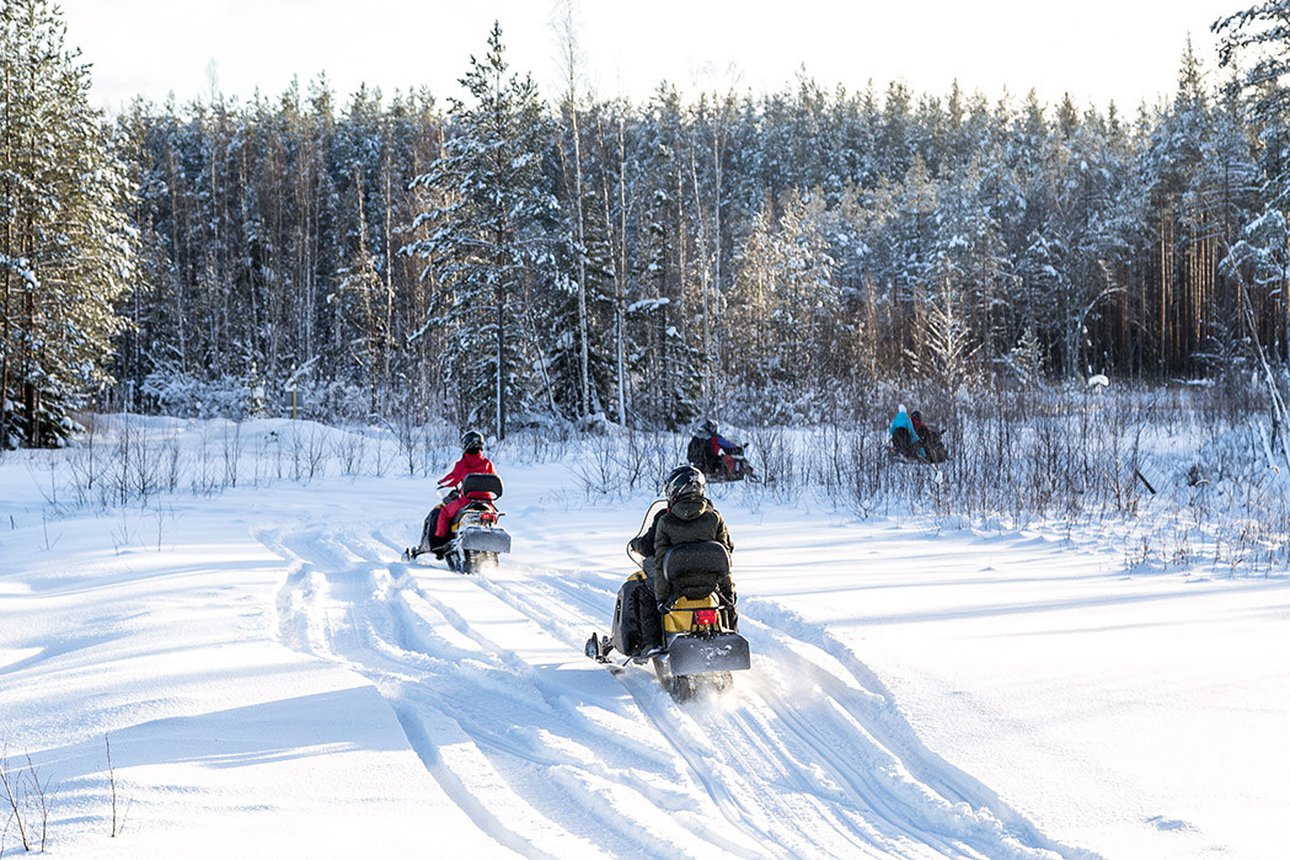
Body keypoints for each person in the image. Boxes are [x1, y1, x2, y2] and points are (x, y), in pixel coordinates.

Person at [652, 465, 735, 612]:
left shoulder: (665, 522)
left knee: (648, 604)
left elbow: (660, 562)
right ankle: (732, 629)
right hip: (710, 587)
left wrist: (661, 599)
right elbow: (725, 558)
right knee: (730, 611)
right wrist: (729, 593)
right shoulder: (714, 518)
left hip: (676, 590)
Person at [430, 430, 497, 551]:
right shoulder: (488, 463)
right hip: (487, 502)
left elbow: (453, 479)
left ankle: (439, 543)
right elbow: (493, 479)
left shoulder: (462, 464)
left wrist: (441, 482)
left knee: (444, 512)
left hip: (467, 500)